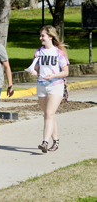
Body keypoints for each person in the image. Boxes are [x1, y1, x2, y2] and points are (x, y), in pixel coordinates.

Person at [28, 25, 69, 153]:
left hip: (55, 85)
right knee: (49, 115)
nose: (40, 38)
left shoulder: (58, 52)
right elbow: (36, 68)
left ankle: (44, 142)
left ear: (50, 37)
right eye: (40, 36)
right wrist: (34, 72)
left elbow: (65, 72)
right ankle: (56, 141)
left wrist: (53, 75)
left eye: (43, 36)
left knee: (49, 114)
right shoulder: (38, 52)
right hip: (41, 86)